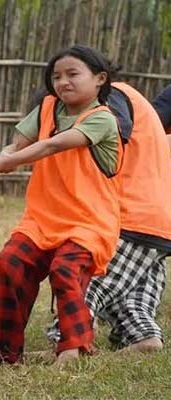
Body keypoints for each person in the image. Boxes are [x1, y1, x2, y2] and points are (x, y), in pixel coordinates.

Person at [0, 44, 122, 365]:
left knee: (64, 270)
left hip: (89, 223)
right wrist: (2, 156)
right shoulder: (47, 108)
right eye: (56, 76)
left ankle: (73, 347)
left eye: (72, 74)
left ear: (99, 79)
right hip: (41, 220)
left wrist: (5, 163)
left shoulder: (102, 119)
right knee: (7, 265)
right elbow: (18, 144)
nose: (63, 82)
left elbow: (51, 145)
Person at [45, 81, 171, 353]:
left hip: (131, 216)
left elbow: (108, 137)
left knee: (87, 277)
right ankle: (144, 337)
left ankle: (67, 344)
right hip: (158, 220)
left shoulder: (111, 99)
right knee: (132, 296)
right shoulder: (134, 102)